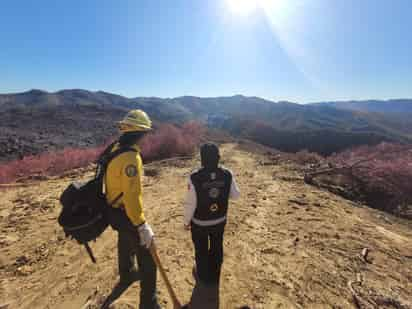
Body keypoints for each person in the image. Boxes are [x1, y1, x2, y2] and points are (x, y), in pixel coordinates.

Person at [102, 109, 161, 309]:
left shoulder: (115, 147)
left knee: (125, 239)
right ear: (139, 133)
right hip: (125, 211)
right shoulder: (131, 158)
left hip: (111, 208)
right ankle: (149, 304)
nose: (146, 137)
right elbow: (132, 197)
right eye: (145, 133)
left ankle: (127, 273)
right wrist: (142, 225)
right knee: (149, 259)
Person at [183, 143, 240, 308]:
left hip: (200, 223)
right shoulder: (227, 174)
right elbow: (236, 195)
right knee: (217, 247)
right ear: (218, 157)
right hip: (220, 220)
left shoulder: (194, 177)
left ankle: (203, 277)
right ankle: (215, 276)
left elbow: (189, 203)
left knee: (201, 249)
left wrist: (186, 221)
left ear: (201, 158)